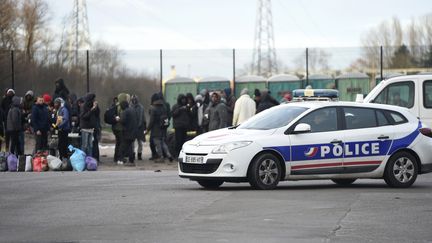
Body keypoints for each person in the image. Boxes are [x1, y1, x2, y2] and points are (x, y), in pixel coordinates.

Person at [146, 93, 173, 163]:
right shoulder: (164, 107)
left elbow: (151, 121)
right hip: (163, 128)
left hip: (155, 130)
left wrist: (147, 129)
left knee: (158, 144)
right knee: (163, 143)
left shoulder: (153, 108)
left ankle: (161, 157)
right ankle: (169, 155)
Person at [80, 93, 100, 157]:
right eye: (93, 99)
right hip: (85, 128)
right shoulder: (84, 106)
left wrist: (96, 108)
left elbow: (97, 115)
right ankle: (83, 159)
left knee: (90, 145)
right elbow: (84, 116)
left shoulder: (93, 107)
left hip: (91, 128)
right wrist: (91, 110)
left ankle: (89, 159)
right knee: (85, 145)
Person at [112, 93, 129, 164]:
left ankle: (116, 157)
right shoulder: (121, 107)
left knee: (118, 143)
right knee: (122, 143)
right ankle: (120, 157)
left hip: (115, 128)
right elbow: (123, 118)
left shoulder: (116, 105)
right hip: (120, 128)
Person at [119, 100, 138, 165]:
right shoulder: (133, 110)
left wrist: (119, 119)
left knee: (125, 146)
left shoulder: (125, 112)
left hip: (127, 132)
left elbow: (123, 121)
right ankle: (131, 160)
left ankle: (126, 160)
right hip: (133, 131)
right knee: (130, 146)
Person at [131, 95, 146, 160]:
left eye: (135, 100)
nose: (134, 101)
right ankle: (133, 154)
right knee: (133, 142)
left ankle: (139, 154)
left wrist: (144, 126)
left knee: (139, 142)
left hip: (139, 127)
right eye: (133, 100)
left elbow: (143, 117)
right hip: (133, 127)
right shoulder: (130, 107)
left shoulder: (141, 107)